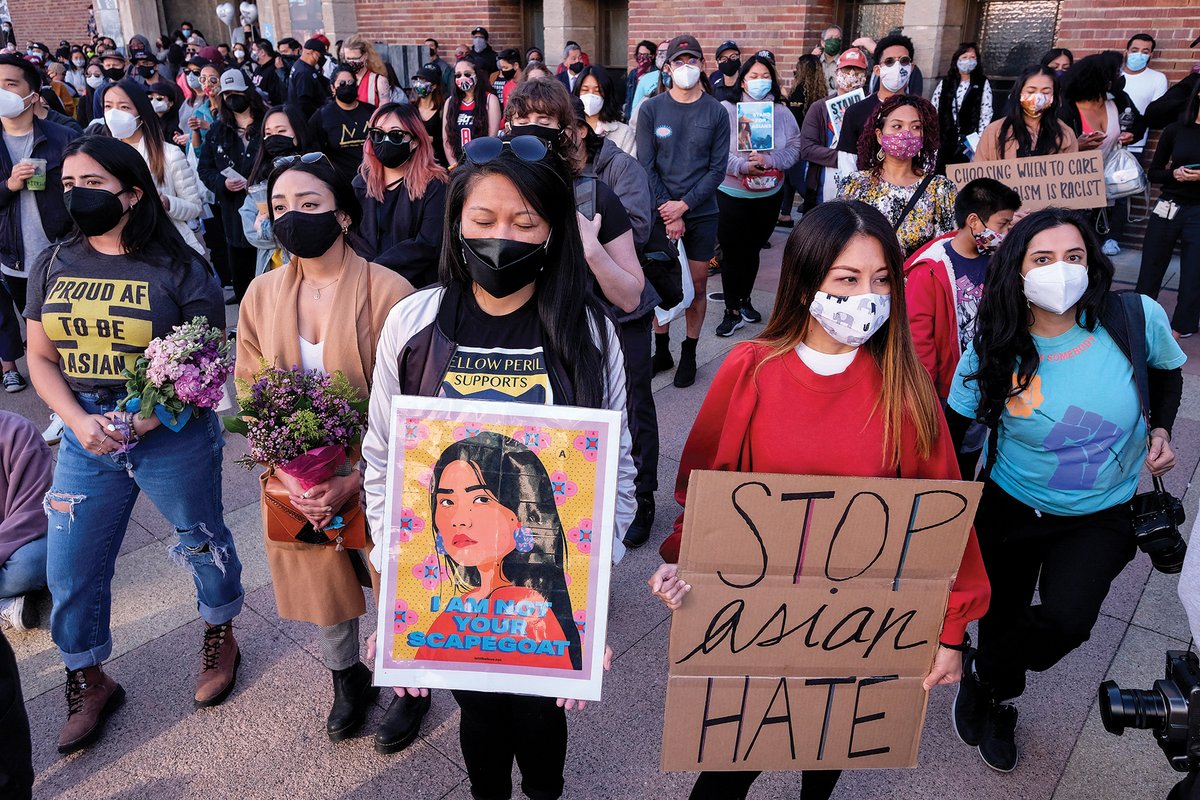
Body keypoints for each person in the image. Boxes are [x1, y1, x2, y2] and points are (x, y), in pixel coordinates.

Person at [651, 200, 990, 800]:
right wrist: (683, 557)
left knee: (826, 751)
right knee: (726, 770)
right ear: (807, 281)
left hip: (857, 622)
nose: (868, 295)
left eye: (882, 280)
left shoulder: (906, 390)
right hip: (753, 617)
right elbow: (707, 483)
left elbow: (942, 518)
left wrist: (952, 630)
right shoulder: (751, 369)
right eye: (848, 279)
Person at [363, 136, 635, 800]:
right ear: (456, 223)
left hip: (545, 586)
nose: (500, 239)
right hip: (452, 585)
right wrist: (393, 583)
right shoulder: (414, 323)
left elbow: (615, 468)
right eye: (482, 222)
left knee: (540, 718)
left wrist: (591, 596)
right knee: (480, 713)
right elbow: (383, 458)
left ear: (553, 230)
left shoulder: (588, 335)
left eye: (524, 223)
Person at [24, 134, 245, 753]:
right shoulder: (53, 262)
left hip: (166, 430)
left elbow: (208, 364)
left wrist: (141, 421)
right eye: (68, 186)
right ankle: (88, 677)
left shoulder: (181, 268)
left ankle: (220, 633)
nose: (76, 196)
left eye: (92, 184)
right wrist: (75, 420)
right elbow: (38, 357)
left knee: (201, 539)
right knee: (70, 564)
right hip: (84, 432)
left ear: (132, 193)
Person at [946, 208, 1184, 772]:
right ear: (1017, 270)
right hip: (1012, 505)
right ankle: (997, 694)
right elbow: (957, 433)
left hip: (1104, 510)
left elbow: (1169, 372)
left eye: (1074, 257)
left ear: (1092, 263)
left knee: (1068, 620)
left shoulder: (1135, 316)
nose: (1062, 270)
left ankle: (988, 666)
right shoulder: (995, 344)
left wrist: (1160, 427)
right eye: (1044, 259)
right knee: (1000, 614)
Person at [234, 152, 413, 747]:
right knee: (321, 578)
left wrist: (358, 474)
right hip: (298, 479)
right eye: (280, 207)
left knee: (393, 576)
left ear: (342, 214)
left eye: (309, 205)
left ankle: (410, 683)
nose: (292, 218)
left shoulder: (391, 292)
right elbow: (250, 389)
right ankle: (347, 679)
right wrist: (288, 476)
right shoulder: (260, 294)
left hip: (378, 469)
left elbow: (414, 401)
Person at [415, 432, 582, 669]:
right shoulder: (459, 604)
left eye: (481, 500)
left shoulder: (528, 602)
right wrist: (390, 634)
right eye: (446, 502)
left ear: (520, 516)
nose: (459, 519)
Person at [904, 178, 1021, 478]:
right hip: (944, 389)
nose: (1006, 232)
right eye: (1003, 224)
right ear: (974, 221)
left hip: (982, 380)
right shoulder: (930, 269)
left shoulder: (997, 261)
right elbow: (920, 338)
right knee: (943, 459)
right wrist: (924, 395)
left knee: (968, 455)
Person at [637, 35, 729, 388]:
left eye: (693, 61)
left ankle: (689, 350)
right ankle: (662, 350)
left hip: (702, 211)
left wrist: (685, 206)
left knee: (698, 285)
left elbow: (717, 170)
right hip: (659, 210)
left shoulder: (716, 112)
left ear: (703, 66)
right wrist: (668, 211)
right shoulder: (651, 109)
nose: (686, 68)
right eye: (679, 61)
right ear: (669, 67)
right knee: (660, 281)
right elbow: (646, 165)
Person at [0, 54, 77, 395]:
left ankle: (79, 394)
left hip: (64, 253)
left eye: (10, 84)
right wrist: (9, 186)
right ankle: (58, 401)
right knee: (37, 333)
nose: (2, 92)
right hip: (14, 259)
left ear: (33, 94)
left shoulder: (62, 138)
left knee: (72, 330)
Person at [715, 53, 801, 337]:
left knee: (752, 250)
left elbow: (794, 148)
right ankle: (731, 310)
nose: (759, 81)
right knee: (732, 251)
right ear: (742, 81)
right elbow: (715, 153)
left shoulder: (783, 113)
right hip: (732, 192)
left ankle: (746, 300)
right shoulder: (726, 110)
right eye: (753, 76)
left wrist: (771, 160)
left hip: (768, 194)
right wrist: (742, 165)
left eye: (765, 76)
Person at [98, 79, 205, 254]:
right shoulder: (102, 157)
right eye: (108, 106)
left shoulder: (169, 154)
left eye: (124, 107)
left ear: (141, 111)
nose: (114, 114)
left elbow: (194, 208)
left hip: (165, 247)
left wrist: (167, 202)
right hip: (121, 249)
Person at [842, 94, 957, 257]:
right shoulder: (855, 184)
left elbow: (945, 252)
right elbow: (840, 241)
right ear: (880, 135)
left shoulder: (940, 190)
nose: (906, 133)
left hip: (917, 282)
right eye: (897, 126)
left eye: (916, 127)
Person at [1058, 52, 1145, 256]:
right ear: (1100, 79)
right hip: (1071, 188)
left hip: (1105, 187)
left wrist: (1131, 134)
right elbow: (1048, 149)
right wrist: (1075, 146)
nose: (1120, 77)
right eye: (1115, 73)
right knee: (1069, 241)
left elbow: (1140, 121)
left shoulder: (1118, 101)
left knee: (1093, 244)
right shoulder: (1067, 107)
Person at [353, 102, 447, 287]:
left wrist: (377, 269)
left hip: (415, 289)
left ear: (414, 141)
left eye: (395, 135)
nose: (384, 141)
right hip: (366, 285)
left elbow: (428, 244)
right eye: (377, 134)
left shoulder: (435, 185)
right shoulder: (360, 184)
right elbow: (353, 237)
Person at [1136, 78, 1200, 339]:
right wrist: (1174, 174)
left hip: (1199, 211)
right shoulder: (1175, 129)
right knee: (1151, 264)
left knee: (1195, 270)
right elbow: (1154, 173)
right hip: (1169, 205)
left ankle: (1183, 325)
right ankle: (1139, 315)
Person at [198, 68, 265, 303]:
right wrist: (222, 183)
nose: (232, 98)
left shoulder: (268, 125)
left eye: (237, 92)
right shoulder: (218, 130)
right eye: (227, 95)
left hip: (266, 214)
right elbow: (204, 168)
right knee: (243, 276)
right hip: (233, 215)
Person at [239, 103, 312, 275]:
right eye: (268, 134)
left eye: (281, 131)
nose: (273, 138)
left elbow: (307, 231)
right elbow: (249, 229)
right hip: (271, 273)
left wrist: (264, 227)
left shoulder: (314, 172)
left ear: (297, 133)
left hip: (307, 271)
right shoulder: (261, 177)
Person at [0, 410, 51, 631]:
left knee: (36, 562)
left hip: (14, 544)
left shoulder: (17, 431)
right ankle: (6, 603)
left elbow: (32, 513)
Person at [800, 48, 868, 210]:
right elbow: (807, 149)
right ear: (837, 73)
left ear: (865, 75)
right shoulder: (819, 108)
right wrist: (845, 157)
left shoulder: (872, 108)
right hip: (820, 193)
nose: (851, 75)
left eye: (857, 70)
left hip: (860, 192)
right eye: (846, 70)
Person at [837, 34, 915, 175]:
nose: (897, 67)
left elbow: (929, 157)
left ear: (911, 67)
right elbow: (846, 163)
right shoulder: (856, 111)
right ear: (877, 70)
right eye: (889, 62)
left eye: (904, 61)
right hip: (864, 192)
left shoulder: (921, 111)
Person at [972, 65, 1078, 161]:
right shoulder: (994, 132)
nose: (1038, 98)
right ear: (1019, 93)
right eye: (1031, 91)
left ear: (1053, 96)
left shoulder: (1065, 134)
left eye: (1045, 92)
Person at [931, 42, 993, 171]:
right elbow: (934, 108)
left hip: (969, 143)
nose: (968, 61)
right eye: (964, 57)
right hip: (945, 140)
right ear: (957, 60)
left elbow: (986, 114)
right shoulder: (946, 83)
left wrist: (979, 141)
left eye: (972, 57)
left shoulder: (981, 83)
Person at [309, 65, 375, 185]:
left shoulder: (372, 112)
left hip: (373, 180)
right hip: (341, 183)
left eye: (351, 82)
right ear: (333, 88)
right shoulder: (322, 115)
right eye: (342, 83)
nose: (347, 86)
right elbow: (314, 151)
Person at [443, 57, 501, 168]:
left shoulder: (490, 99)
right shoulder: (450, 102)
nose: (462, 78)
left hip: (482, 163)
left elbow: (491, 137)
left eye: (467, 74)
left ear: (477, 75)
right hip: (458, 164)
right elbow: (446, 138)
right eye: (458, 75)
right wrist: (453, 164)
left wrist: (481, 164)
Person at [1122, 33, 1168, 157]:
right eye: (1135, 50)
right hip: (1103, 143)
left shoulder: (1158, 79)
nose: (1139, 54)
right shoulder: (1112, 75)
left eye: (1145, 51)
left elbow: (1154, 114)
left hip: (1134, 144)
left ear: (1150, 55)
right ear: (1126, 51)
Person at [573, 65, 634, 156]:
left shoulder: (623, 133)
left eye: (597, 91)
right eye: (585, 90)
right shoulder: (568, 129)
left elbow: (630, 167)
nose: (591, 95)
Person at [410, 64, 448, 168]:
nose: (419, 84)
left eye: (423, 80)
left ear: (434, 86)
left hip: (438, 161)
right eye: (417, 80)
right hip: (417, 161)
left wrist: (432, 139)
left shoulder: (443, 109)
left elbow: (449, 137)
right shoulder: (411, 109)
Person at [341, 35, 394, 107]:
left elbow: (384, 112)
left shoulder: (379, 81)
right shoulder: (341, 79)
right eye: (348, 59)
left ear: (365, 56)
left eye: (355, 58)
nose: (351, 62)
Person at [288, 37, 329, 119]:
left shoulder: (302, 65)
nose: (320, 58)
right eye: (319, 55)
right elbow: (304, 102)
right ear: (310, 52)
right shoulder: (303, 72)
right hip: (308, 119)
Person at [630, 40, 669, 120]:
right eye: (660, 52)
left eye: (665, 52)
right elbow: (635, 105)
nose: (662, 55)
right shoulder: (644, 77)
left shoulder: (678, 77)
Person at [625, 40, 657, 120]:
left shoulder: (656, 74)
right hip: (633, 115)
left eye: (645, 55)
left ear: (652, 56)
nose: (642, 57)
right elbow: (629, 96)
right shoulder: (633, 74)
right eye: (639, 54)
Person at [146, 79, 184, 145]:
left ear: (170, 103)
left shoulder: (178, 123)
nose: (154, 101)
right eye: (150, 98)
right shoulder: (148, 121)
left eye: (159, 98)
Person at [250, 39, 284, 105]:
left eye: (254, 50)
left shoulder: (275, 68)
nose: (252, 52)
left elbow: (276, 95)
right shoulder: (258, 68)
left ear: (262, 52)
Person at [709, 40, 741, 104]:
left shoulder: (747, 86)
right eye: (724, 59)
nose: (729, 61)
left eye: (733, 57)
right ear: (717, 63)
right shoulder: (713, 91)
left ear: (740, 58)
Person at [814, 25, 844, 92]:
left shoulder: (844, 63)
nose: (833, 41)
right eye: (830, 38)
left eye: (837, 38)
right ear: (823, 43)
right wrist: (810, 59)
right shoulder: (815, 61)